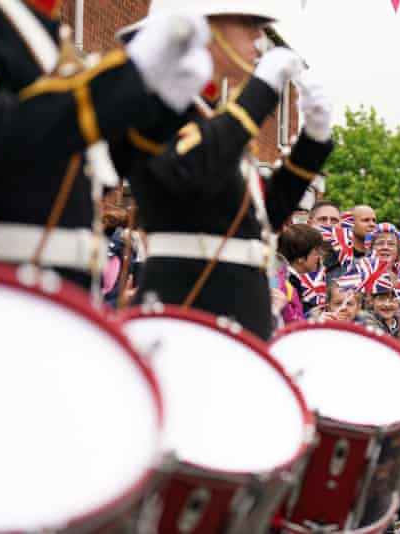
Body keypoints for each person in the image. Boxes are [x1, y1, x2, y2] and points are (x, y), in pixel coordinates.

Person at [0, 0, 211, 288]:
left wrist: (161, 109)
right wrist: (121, 80)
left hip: (55, 292)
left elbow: (82, 167)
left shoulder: (49, 31)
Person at [124, 3, 334, 340]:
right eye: (247, 23)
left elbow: (267, 214)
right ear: (202, 28)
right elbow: (194, 166)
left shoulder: (212, 119)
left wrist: (314, 139)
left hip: (237, 314)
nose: (258, 36)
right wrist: (261, 90)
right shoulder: (156, 107)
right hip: (187, 311)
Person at [278, 223, 323, 316]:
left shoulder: (286, 277)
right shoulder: (288, 282)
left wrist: (310, 312)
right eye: (316, 252)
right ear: (301, 258)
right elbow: (290, 317)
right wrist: (309, 317)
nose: (319, 257)